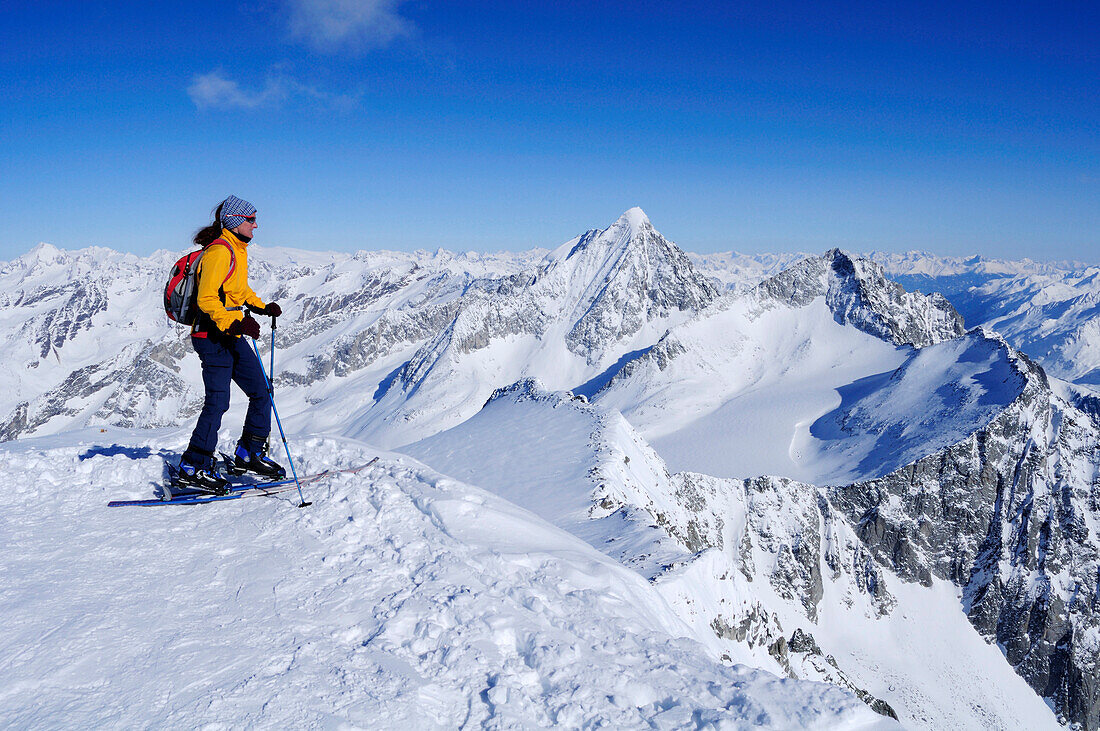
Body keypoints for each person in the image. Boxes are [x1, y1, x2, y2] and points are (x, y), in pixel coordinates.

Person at [176, 195, 285, 492]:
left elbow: (237, 289)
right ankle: (193, 465)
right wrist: (236, 323)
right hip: (211, 336)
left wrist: (261, 306)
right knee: (218, 402)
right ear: (236, 222)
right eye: (251, 220)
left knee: (262, 391)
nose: (256, 225)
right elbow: (207, 299)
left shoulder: (237, 249)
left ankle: (248, 453)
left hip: (230, 333)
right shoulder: (219, 252)